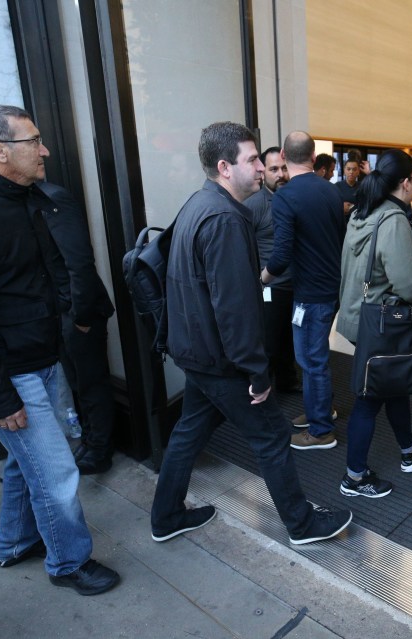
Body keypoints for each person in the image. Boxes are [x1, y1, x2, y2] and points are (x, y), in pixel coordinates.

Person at [0, 104, 119, 595]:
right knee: (56, 473)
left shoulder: (26, 199)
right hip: (12, 375)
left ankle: (12, 542)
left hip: (44, 360)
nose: (45, 150)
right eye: (34, 140)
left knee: (22, 462)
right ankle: (69, 562)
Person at [152, 121, 352, 545]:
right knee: (273, 435)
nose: (262, 167)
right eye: (253, 159)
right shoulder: (224, 219)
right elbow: (234, 309)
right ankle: (301, 524)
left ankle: (166, 514)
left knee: (189, 430)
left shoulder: (199, 203)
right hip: (220, 358)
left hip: (195, 349)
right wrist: (256, 373)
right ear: (225, 167)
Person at [335, 149, 412, 498]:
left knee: (391, 383)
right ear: (406, 183)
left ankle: (409, 448)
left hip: (359, 314)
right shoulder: (391, 221)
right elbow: (406, 284)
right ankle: (355, 477)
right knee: (370, 398)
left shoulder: (363, 213)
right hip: (382, 322)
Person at [261, 131, 345, 450]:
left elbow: (281, 255)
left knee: (311, 360)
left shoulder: (285, 196)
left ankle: (321, 430)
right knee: (315, 356)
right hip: (330, 286)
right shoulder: (331, 191)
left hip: (310, 292)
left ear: (283, 155)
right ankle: (320, 410)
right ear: (313, 156)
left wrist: (263, 278)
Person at [37, 181, 117, 475]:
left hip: (77, 312)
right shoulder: (31, 200)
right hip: (59, 312)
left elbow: (79, 261)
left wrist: (80, 315)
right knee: (76, 382)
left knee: (90, 382)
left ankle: (100, 449)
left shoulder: (53, 197)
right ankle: (90, 439)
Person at [244, 146, 299, 392]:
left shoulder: (296, 198)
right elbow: (245, 247)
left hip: (297, 285)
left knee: (290, 340)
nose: (280, 174)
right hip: (270, 287)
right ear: (263, 171)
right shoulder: (254, 204)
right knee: (269, 343)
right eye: (274, 169)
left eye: (284, 168)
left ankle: (287, 382)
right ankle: (262, 393)